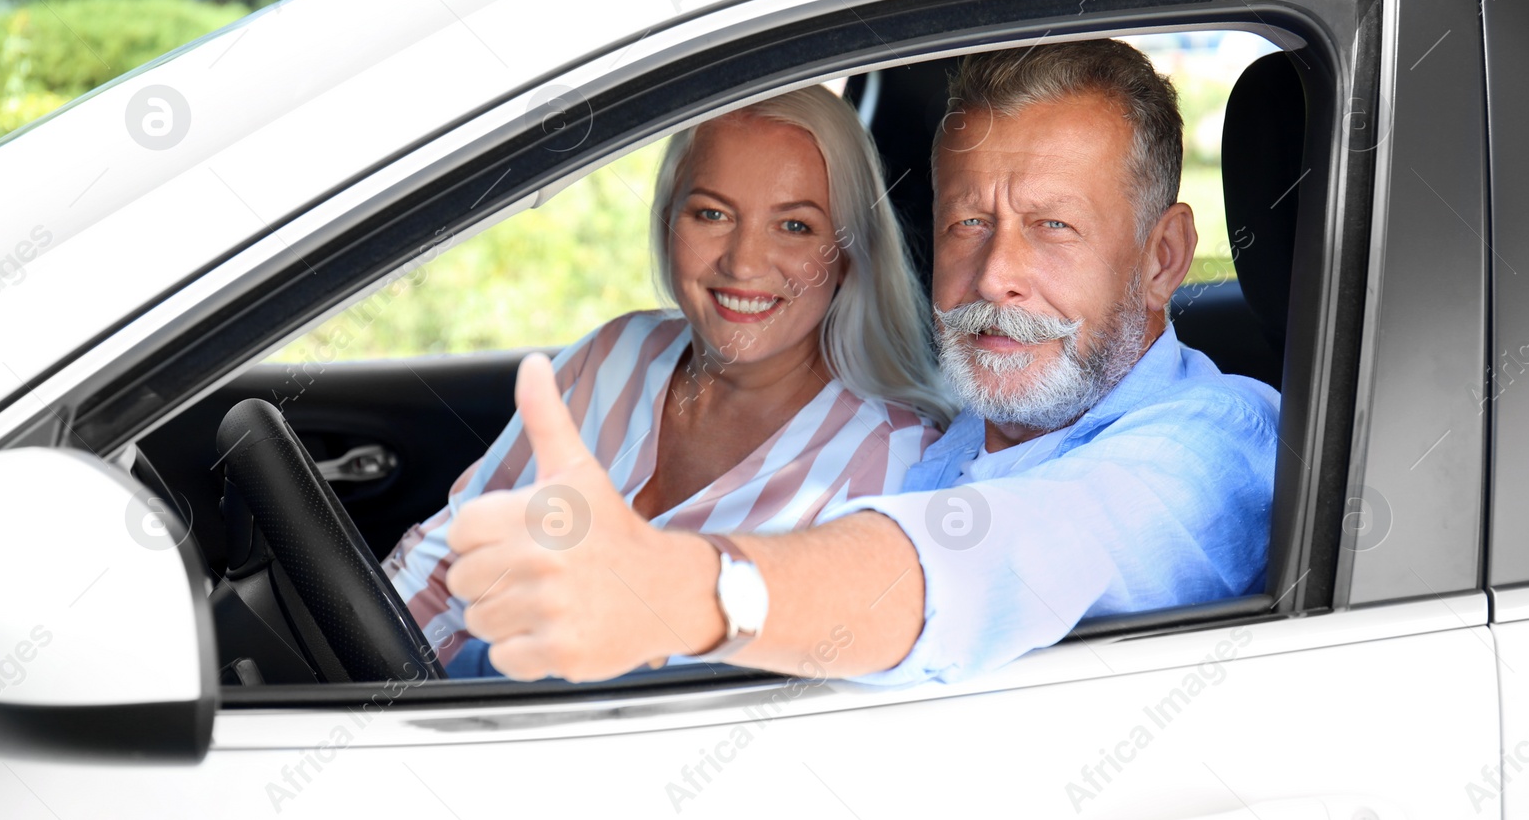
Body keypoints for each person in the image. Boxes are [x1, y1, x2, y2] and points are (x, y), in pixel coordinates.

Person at [437, 39, 1280, 686]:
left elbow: (995, 557)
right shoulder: (949, 447)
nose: (995, 276)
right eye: (967, 224)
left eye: (1053, 227)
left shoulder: (1208, 451)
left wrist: (681, 589)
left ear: (1163, 257)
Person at [383, 85, 950, 672]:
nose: (744, 262)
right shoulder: (615, 353)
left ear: (849, 254)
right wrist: (374, 690)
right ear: (668, 219)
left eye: (795, 226)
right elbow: (441, 566)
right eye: (712, 214)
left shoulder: (892, 464)